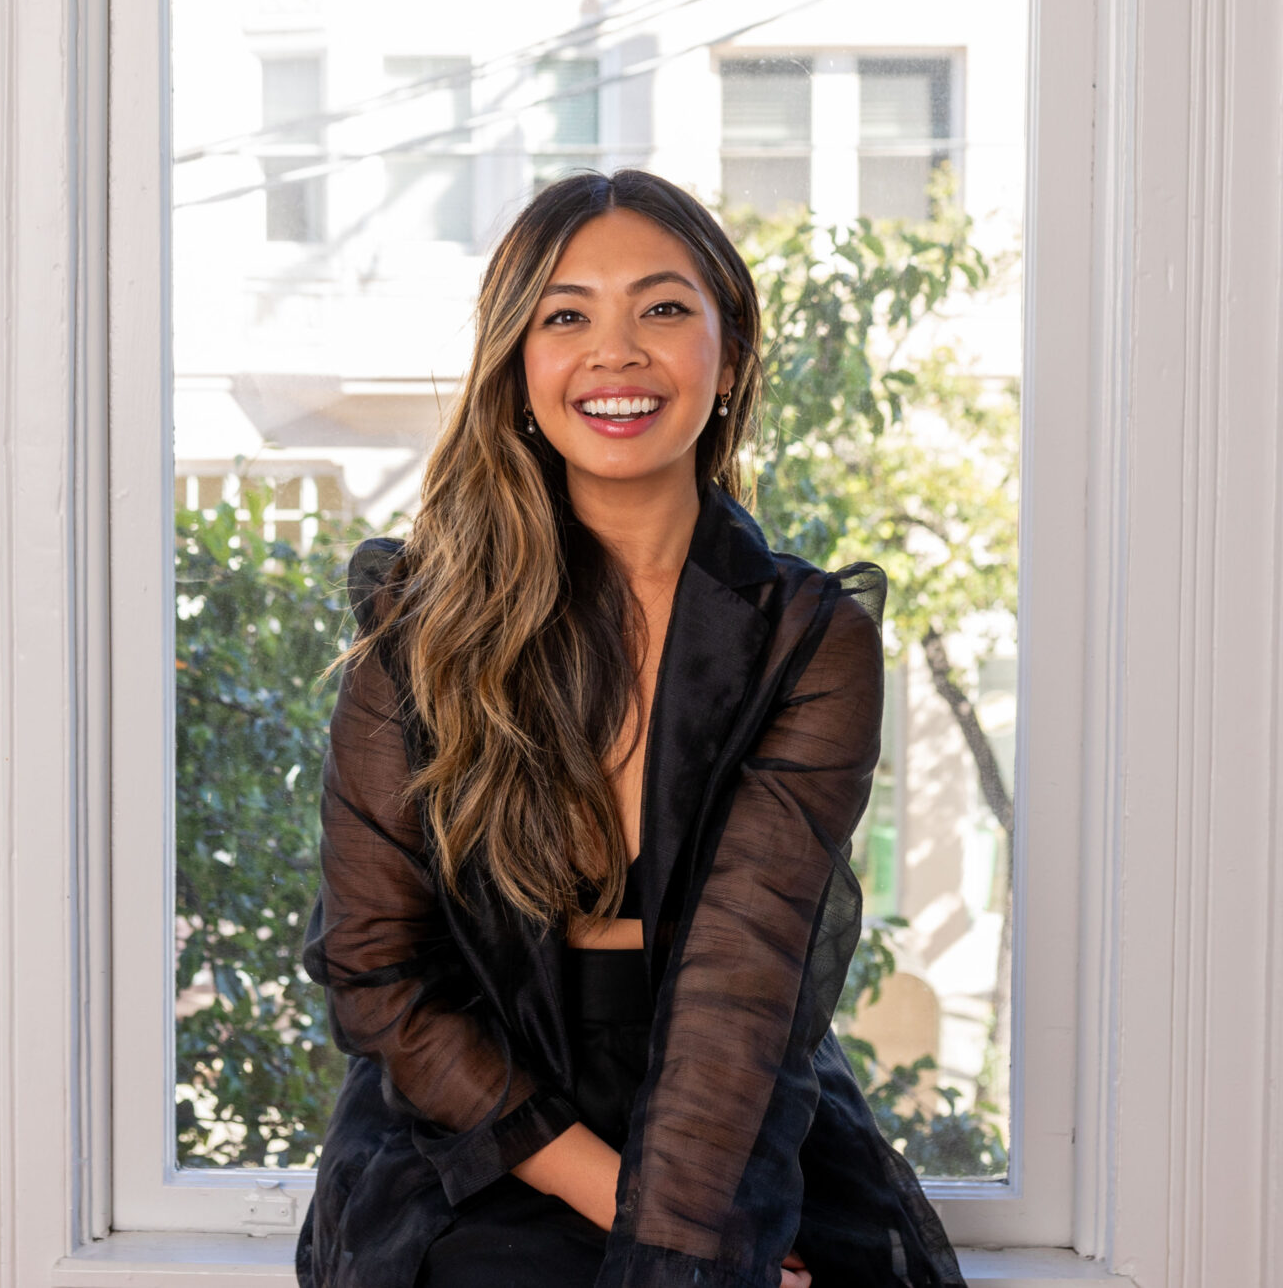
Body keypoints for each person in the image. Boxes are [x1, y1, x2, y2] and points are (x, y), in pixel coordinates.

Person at [296, 171, 965, 1288]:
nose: (614, 353)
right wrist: (617, 1201)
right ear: (518, 365)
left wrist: (683, 1244)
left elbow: (740, 985)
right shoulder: (418, 628)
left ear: (730, 352)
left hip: (724, 1095)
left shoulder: (809, 640)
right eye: (565, 316)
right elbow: (377, 977)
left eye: (661, 308)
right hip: (482, 1109)